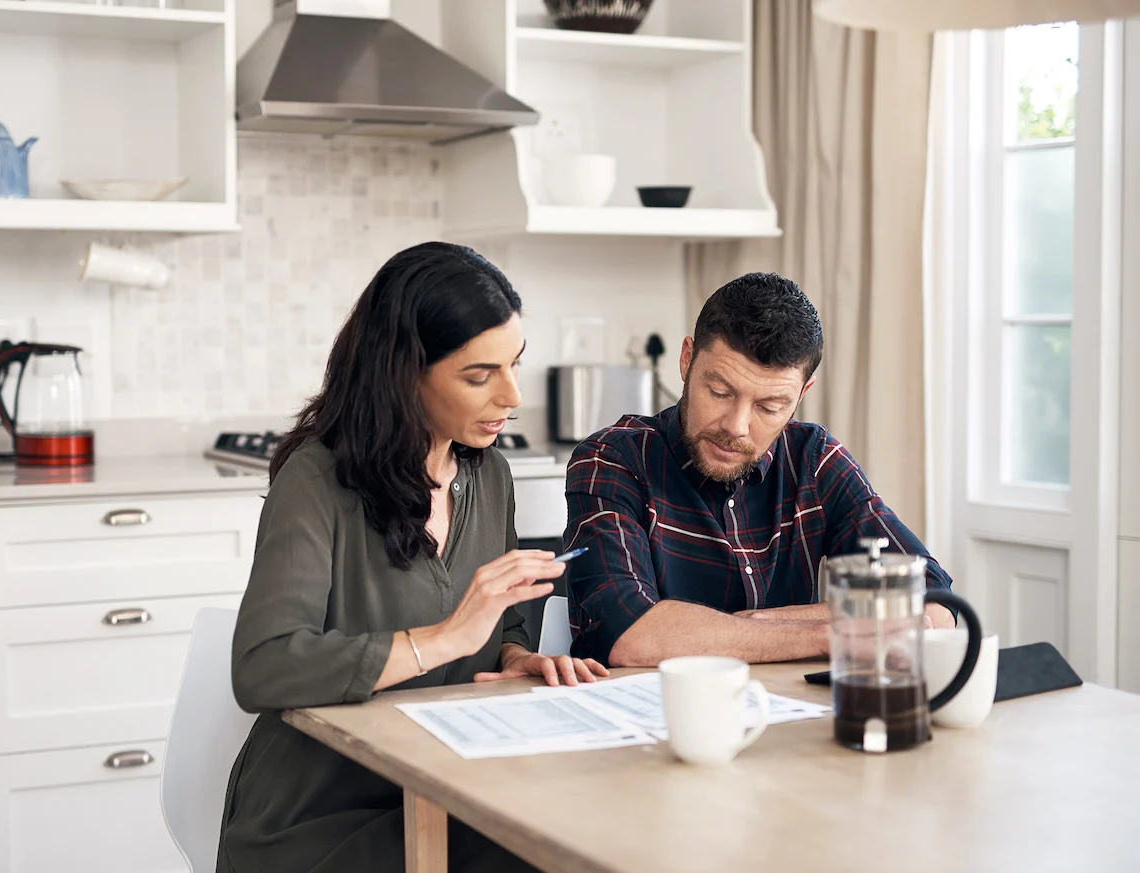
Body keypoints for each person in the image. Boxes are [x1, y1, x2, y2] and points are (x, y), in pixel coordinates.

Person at [216, 241, 609, 873]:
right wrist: (446, 638)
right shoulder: (317, 480)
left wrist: (515, 655)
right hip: (325, 818)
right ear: (403, 374)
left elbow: (499, 620)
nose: (511, 395)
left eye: (515, 365)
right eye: (479, 376)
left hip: (448, 785)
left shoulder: (491, 475)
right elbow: (261, 667)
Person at [562, 272, 956, 667]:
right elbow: (630, 634)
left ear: (802, 395)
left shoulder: (814, 459)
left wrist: (748, 625)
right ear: (686, 360)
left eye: (769, 407)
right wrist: (830, 632)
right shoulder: (613, 459)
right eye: (719, 392)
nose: (736, 426)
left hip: (789, 713)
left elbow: (933, 603)